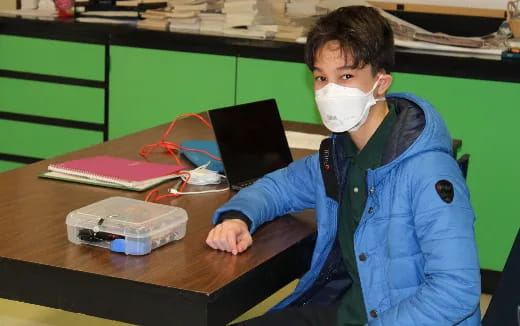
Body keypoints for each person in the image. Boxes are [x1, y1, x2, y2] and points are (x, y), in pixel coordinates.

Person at [206, 5, 481, 326]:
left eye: (346, 76)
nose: (330, 91)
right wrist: (237, 218)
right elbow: (278, 187)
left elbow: (457, 292)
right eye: (321, 77)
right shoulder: (340, 154)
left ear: (381, 83)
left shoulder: (427, 171)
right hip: (349, 309)